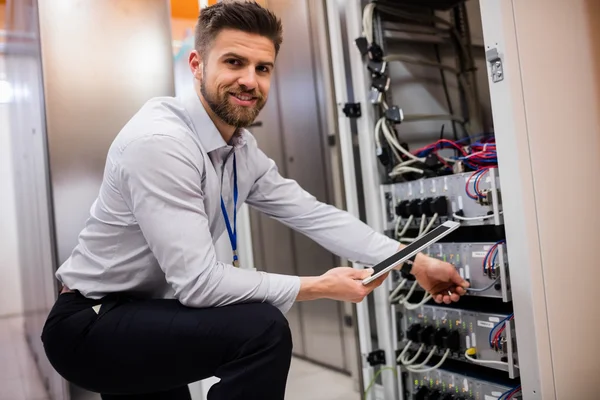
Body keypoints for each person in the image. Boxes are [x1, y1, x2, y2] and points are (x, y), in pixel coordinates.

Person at [41, 2, 469, 399]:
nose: (250, 80)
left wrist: (412, 261)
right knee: (260, 330)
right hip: (94, 322)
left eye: (263, 67)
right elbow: (200, 284)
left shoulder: (240, 149)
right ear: (197, 64)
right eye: (234, 62)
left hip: (147, 314)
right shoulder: (162, 143)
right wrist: (318, 287)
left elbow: (313, 214)